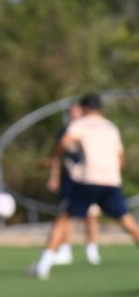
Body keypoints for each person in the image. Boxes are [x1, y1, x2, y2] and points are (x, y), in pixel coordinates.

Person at [29, 93, 139, 280]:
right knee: (129, 224)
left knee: (63, 219)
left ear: (85, 108)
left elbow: (63, 143)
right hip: (111, 181)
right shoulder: (111, 127)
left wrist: (53, 156)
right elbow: (121, 160)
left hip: (88, 179)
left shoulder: (80, 124)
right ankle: (84, 253)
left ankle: (43, 265)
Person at [39, 101, 102, 270]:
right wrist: (54, 177)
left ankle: (92, 249)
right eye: (71, 110)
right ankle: (65, 250)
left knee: (91, 214)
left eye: (76, 110)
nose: (73, 113)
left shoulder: (90, 130)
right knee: (64, 214)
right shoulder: (64, 131)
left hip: (88, 178)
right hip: (69, 179)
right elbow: (57, 157)